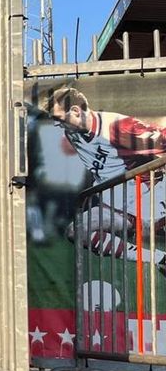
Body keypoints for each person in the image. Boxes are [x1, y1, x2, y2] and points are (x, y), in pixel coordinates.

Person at [47, 87, 166, 272]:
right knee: (78, 230)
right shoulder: (72, 133)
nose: (57, 125)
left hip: (146, 198)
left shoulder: (118, 127)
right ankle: (162, 259)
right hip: (115, 202)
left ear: (76, 111)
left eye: (59, 119)